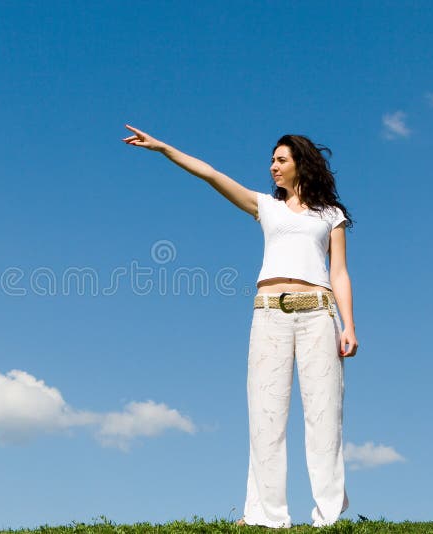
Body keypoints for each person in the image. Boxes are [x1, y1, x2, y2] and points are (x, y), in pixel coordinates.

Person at [121, 124, 358, 528]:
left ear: (301, 164)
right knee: (266, 415)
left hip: (319, 314)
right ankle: (267, 516)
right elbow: (211, 173)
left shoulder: (330, 215)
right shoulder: (265, 206)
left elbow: (339, 272)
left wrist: (348, 326)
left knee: (324, 416)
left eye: (281, 160)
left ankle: (329, 516)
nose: (273, 167)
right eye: (271, 161)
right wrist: (164, 148)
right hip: (268, 314)